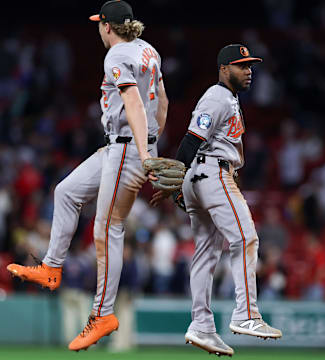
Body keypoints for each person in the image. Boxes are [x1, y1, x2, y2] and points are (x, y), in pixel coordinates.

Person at [7, 0, 168, 352]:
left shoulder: (115, 56)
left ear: (107, 27)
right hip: (124, 145)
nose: (98, 28)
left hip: (128, 147)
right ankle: (51, 267)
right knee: (66, 191)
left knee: (107, 228)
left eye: (100, 23)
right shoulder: (148, 50)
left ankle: (103, 314)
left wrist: (143, 154)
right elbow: (163, 102)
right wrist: (152, 145)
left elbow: (136, 104)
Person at [152, 44, 282, 356]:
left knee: (207, 253)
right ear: (224, 68)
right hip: (212, 173)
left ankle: (201, 326)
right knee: (246, 239)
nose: (248, 71)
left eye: (250, 66)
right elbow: (191, 138)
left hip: (202, 176)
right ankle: (246, 314)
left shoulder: (229, 99)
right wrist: (177, 180)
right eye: (241, 66)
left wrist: (181, 184)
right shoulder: (217, 96)